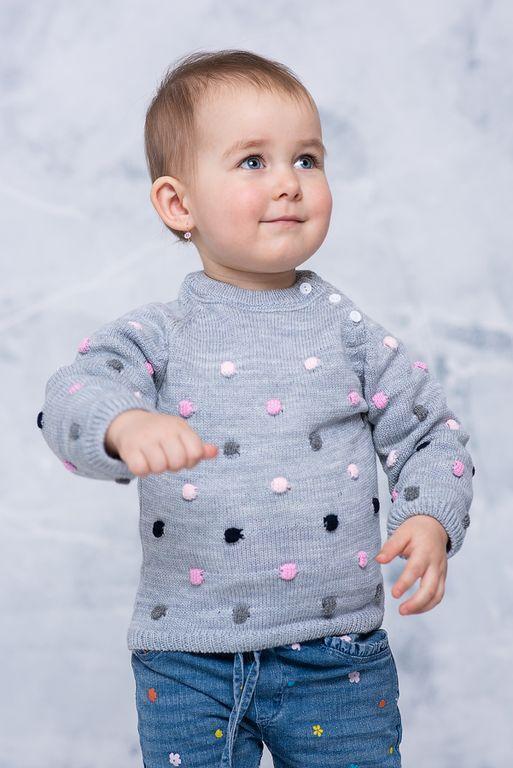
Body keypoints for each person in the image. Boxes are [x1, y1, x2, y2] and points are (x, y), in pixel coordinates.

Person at [39, 49, 474, 768]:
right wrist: (123, 425)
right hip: (187, 659)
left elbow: (431, 434)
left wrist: (429, 516)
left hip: (338, 656)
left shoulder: (350, 335)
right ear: (179, 205)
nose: (288, 183)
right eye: (252, 162)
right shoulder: (160, 335)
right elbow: (70, 394)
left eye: (307, 159)